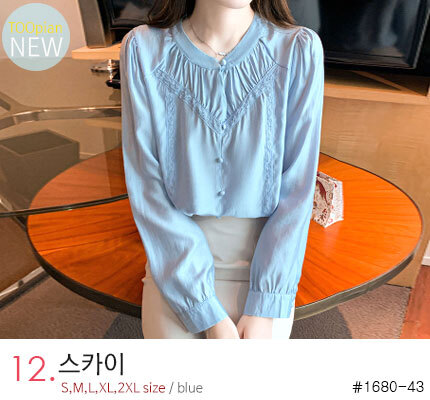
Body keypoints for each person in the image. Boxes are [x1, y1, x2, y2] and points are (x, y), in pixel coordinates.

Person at [120, 0, 325, 339]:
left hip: (267, 272)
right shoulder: (142, 49)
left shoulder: (298, 49)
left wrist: (265, 304)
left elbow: (297, 190)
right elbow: (146, 186)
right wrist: (203, 310)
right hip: (175, 269)